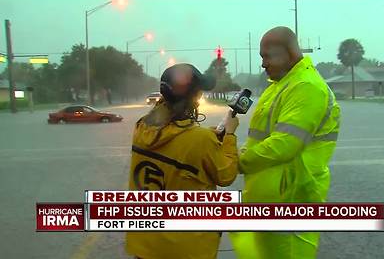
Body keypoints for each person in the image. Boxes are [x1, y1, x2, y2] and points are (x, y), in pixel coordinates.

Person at [230, 26, 341, 258]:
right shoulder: (278, 85)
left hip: (291, 201)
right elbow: (257, 139)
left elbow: (284, 145)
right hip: (267, 198)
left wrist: (236, 163)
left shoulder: (306, 87)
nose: (263, 64)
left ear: (289, 54)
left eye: (267, 56)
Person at [125, 63, 239, 259]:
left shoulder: (142, 127)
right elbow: (226, 175)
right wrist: (229, 135)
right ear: (195, 97)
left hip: (144, 245)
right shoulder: (200, 139)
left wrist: (210, 136)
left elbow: (177, 142)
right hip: (185, 249)